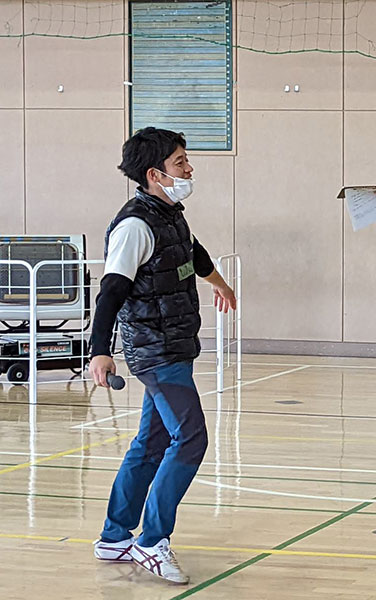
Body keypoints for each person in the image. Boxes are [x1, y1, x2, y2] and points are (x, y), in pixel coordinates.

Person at [89, 127, 236, 584]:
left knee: (151, 442)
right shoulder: (134, 225)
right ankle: (151, 541)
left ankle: (115, 536)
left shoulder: (170, 215)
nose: (189, 168)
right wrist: (100, 351)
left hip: (175, 343)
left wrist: (219, 283)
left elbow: (192, 252)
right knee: (191, 437)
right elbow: (111, 290)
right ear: (155, 174)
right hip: (155, 352)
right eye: (180, 163)